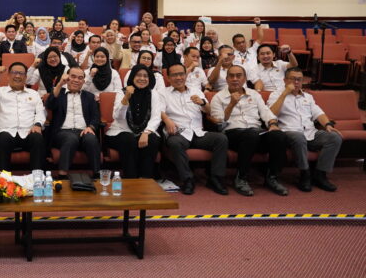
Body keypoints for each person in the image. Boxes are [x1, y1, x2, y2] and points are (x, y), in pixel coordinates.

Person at [210, 65, 289, 197]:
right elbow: (219, 125)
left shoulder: (254, 94)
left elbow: (265, 112)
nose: (235, 79)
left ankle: (272, 178)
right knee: (250, 135)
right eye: (231, 76)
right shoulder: (218, 97)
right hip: (232, 134)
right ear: (227, 79)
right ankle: (241, 178)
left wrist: (272, 123)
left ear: (245, 78)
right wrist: (231, 104)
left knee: (279, 136)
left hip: (256, 133)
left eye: (239, 76)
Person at [268, 67, 341, 192]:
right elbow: (270, 114)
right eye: (293, 79)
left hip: (310, 132)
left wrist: (328, 125)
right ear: (285, 80)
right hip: (289, 132)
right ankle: (304, 174)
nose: (296, 82)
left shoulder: (308, 97)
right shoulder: (276, 94)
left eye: (299, 79)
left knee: (334, 137)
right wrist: (284, 94)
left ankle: (320, 175)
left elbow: (319, 113)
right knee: (299, 137)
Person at [160, 64, 228, 195]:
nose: (179, 77)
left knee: (221, 139)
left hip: (198, 133)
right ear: (168, 77)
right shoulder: (163, 93)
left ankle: (215, 178)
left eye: (181, 74)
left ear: (186, 75)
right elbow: (159, 110)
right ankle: (187, 179)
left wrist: (203, 103)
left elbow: (209, 111)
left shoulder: (195, 90)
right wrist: (167, 120)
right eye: (174, 75)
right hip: (179, 132)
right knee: (174, 142)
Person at [0, 63, 47, 171]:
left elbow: (41, 112)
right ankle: (4, 177)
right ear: (8, 75)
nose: (17, 76)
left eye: (21, 73)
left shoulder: (33, 94)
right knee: (3, 138)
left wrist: (38, 124)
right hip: (7, 132)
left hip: (28, 132)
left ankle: (37, 177)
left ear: (26, 77)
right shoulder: (0, 91)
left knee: (37, 138)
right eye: (14, 72)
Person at [105, 65, 162, 179]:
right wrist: (126, 97)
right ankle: (131, 179)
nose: (142, 78)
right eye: (138, 75)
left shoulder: (153, 93)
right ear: (132, 77)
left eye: (145, 76)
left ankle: (145, 179)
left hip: (144, 131)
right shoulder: (122, 92)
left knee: (152, 139)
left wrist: (146, 132)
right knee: (128, 139)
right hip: (120, 131)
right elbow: (117, 116)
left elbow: (156, 117)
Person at [47, 66, 101, 178]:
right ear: (67, 78)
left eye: (80, 78)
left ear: (83, 81)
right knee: (70, 138)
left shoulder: (89, 97)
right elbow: (50, 104)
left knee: (91, 138)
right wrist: (60, 84)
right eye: (73, 76)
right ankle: (62, 175)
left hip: (83, 131)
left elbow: (96, 117)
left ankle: (97, 174)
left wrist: (90, 127)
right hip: (62, 132)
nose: (76, 80)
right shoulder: (59, 93)